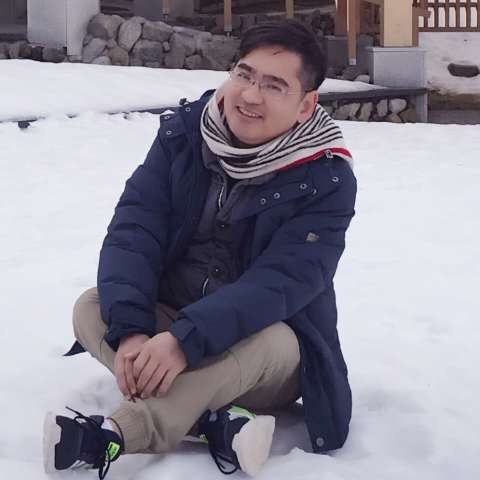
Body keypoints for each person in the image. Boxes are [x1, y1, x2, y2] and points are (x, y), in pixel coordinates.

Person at [43, 19, 357, 479]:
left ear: (306, 105)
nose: (250, 96)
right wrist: (133, 334)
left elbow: (283, 282)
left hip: (263, 351)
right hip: (173, 321)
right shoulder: (185, 135)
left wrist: (185, 342)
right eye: (244, 75)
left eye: (274, 86)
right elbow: (135, 230)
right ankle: (212, 422)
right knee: (92, 306)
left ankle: (112, 435)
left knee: (278, 340)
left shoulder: (326, 178)